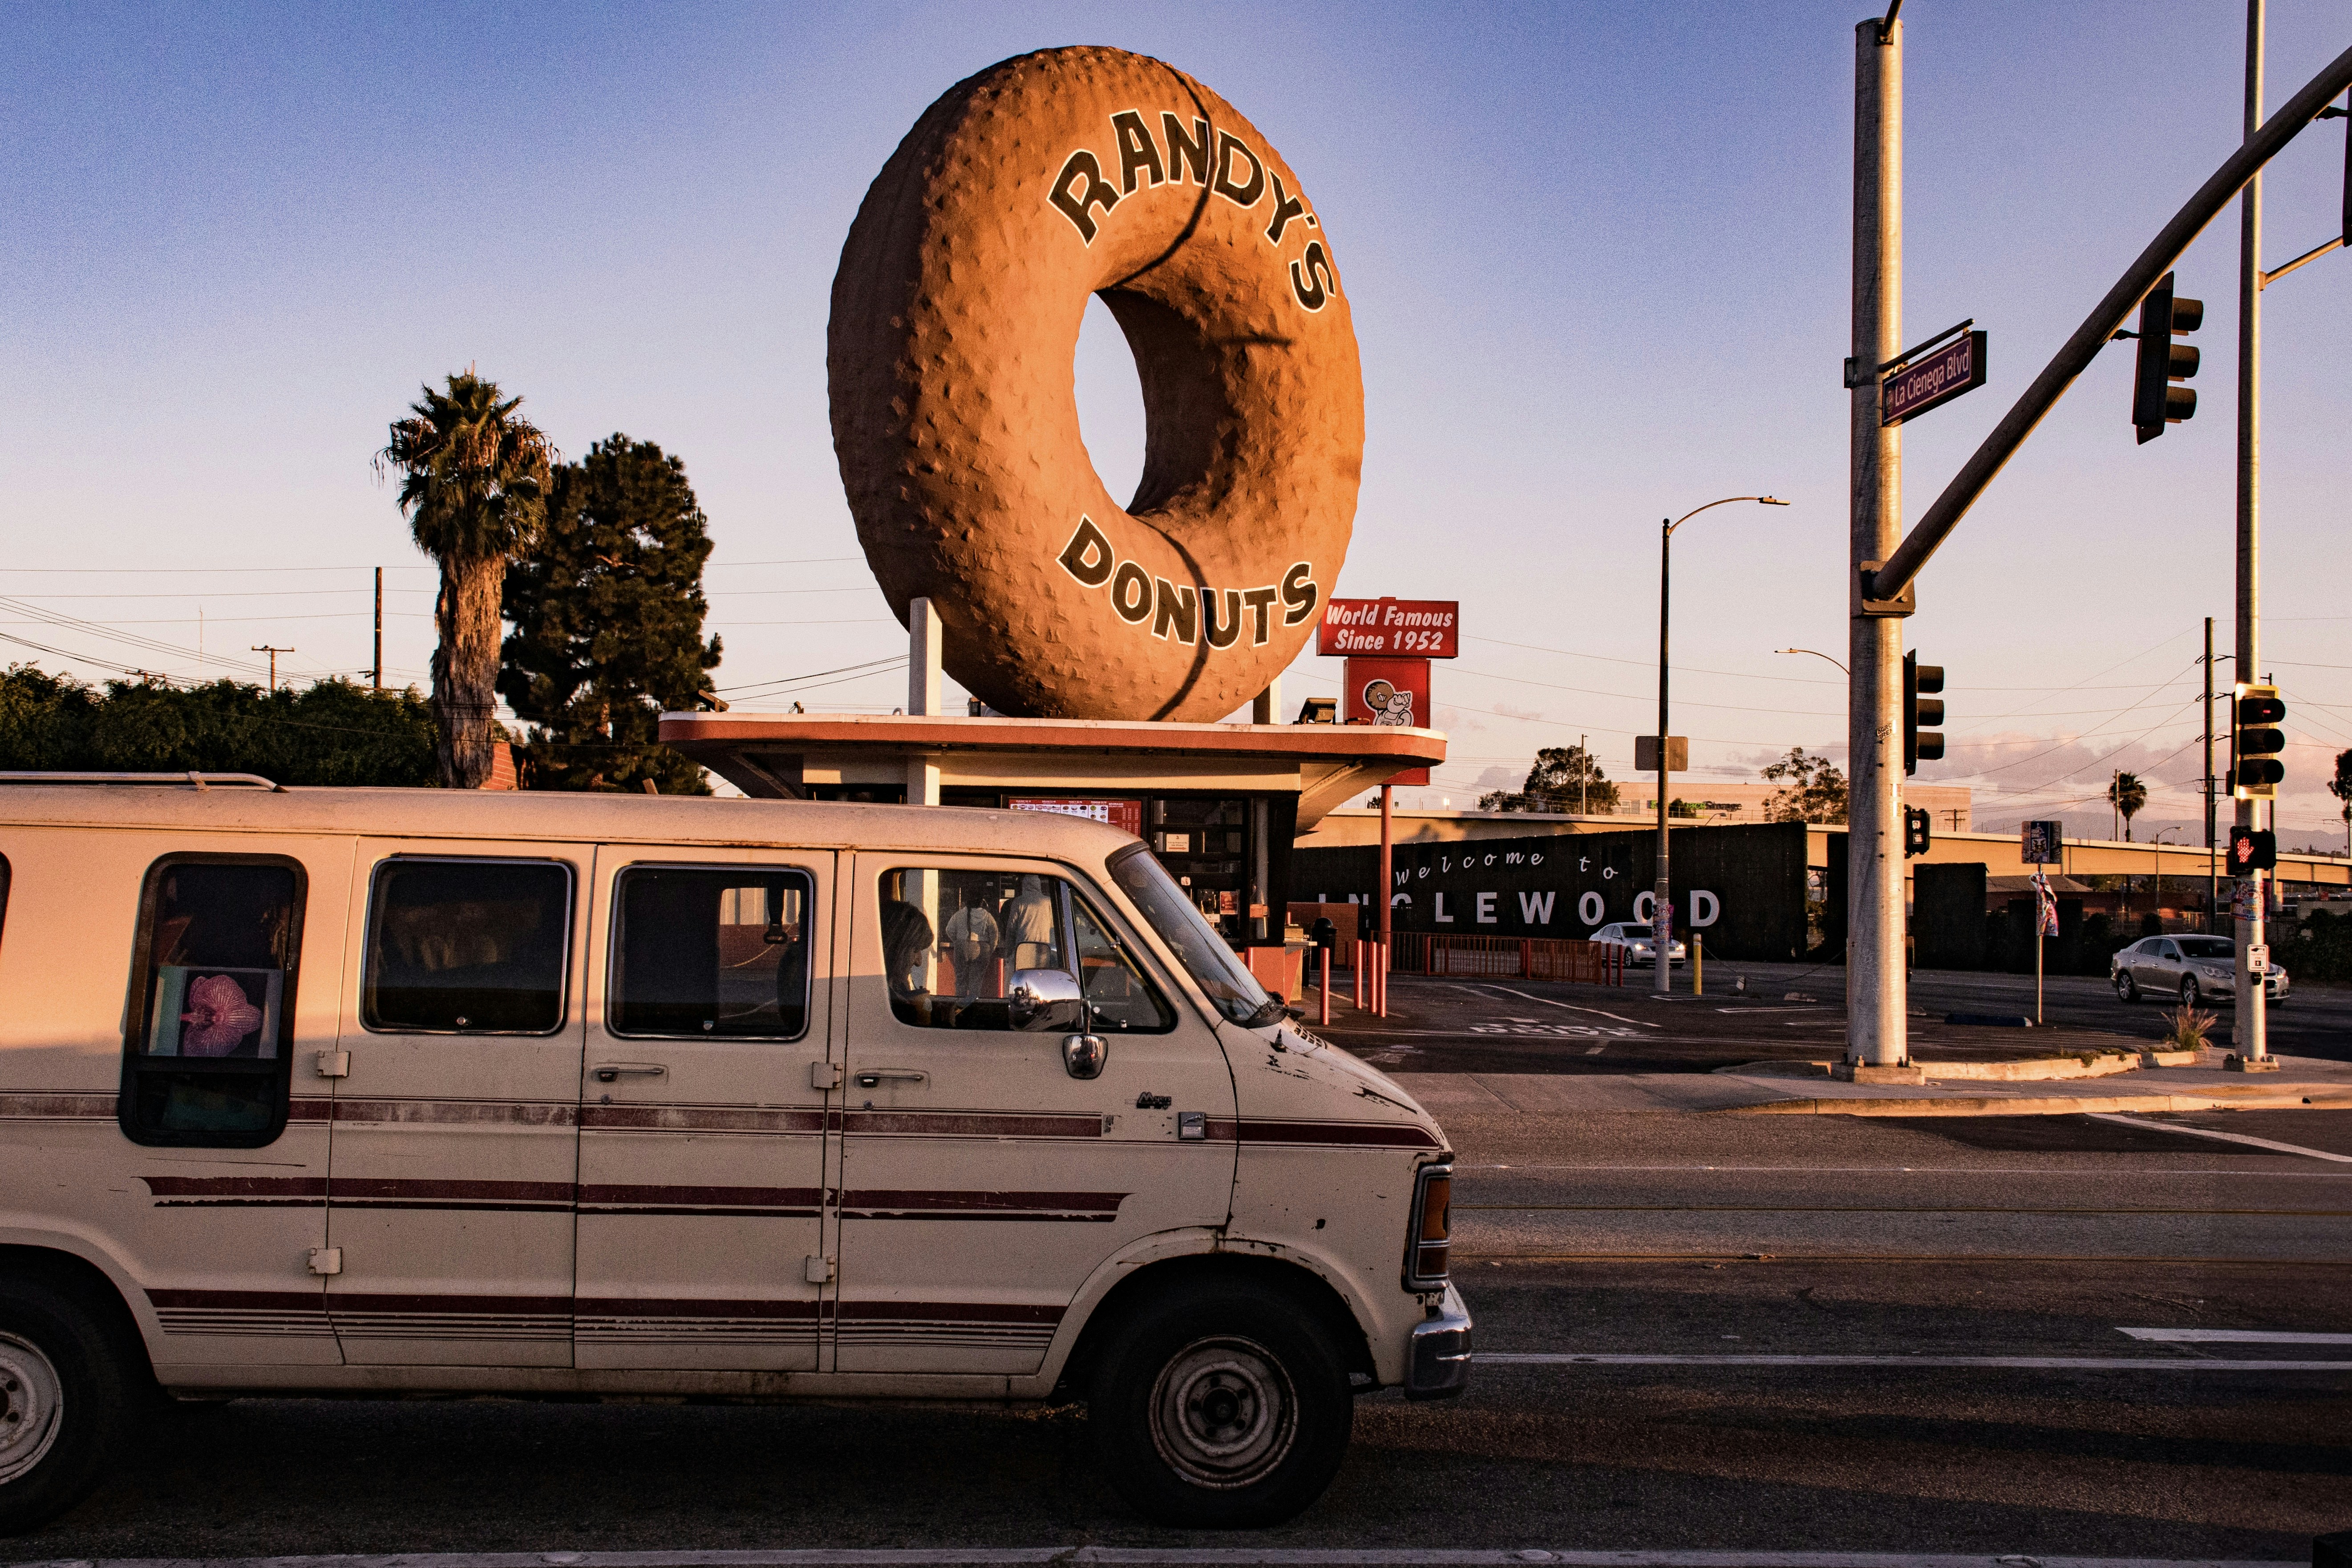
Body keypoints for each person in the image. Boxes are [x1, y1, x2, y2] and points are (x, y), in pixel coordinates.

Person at [942, 892, 1000, 1000]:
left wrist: (958, 941)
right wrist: (991, 948)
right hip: (981, 948)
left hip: (961, 946)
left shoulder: (959, 914)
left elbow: (949, 929)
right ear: (982, 902)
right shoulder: (987, 916)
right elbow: (995, 934)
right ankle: (972, 1005)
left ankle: (959, 1007)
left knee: (961, 980)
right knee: (975, 982)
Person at [1001, 874, 1058, 971]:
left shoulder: (1019, 902)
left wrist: (1009, 952)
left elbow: (1011, 929)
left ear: (1024, 885)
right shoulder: (1048, 902)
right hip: (1043, 948)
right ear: (1039, 885)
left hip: (1023, 949)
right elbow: (1052, 925)